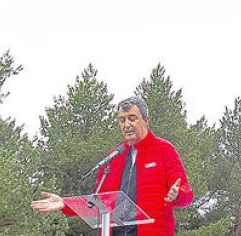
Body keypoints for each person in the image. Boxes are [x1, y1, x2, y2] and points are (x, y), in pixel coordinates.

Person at [31, 96, 193, 236]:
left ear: (146, 120)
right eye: (122, 120)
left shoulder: (164, 149)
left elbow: (186, 195)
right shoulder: (113, 157)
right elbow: (98, 202)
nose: (126, 124)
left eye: (132, 118)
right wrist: (65, 204)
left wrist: (177, 194)